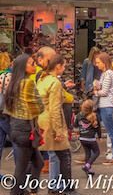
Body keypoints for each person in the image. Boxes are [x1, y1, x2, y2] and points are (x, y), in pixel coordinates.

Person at [37, 54, 78, 195]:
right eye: (64, 65)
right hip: (51, 123)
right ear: (58, 66)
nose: (65, 68)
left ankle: (55, 187)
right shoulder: (54, 82)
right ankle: (66, 188)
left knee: (55, 155)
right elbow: (54, 109)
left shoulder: (43, 79)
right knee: (64, 155)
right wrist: (59, 131)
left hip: (42, 121)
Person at [4, 54, 44, 195]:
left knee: (38, 162)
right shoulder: (27, 83)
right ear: (23, 67)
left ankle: (26, 190)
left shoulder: (14, 82)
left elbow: (7, 108)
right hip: (25, 130)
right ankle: (17, 192)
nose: (34, 66)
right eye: (32, 63)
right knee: (21, 168)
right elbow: (39, 107)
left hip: (15, 127)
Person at [94, 53, 113, 165]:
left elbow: (104, 92)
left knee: (111, 132)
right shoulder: (105, 73)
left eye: (98, 62)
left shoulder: (108, 73)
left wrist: (96, 91)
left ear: (104, 63)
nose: (96, 65)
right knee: (110, 131)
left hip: (107, 105)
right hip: (105, 105)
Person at [76, 99, 101, 176]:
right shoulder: (94, 116)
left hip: (82, 138)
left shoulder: (79, 115)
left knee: (87, 153)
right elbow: (98, 127)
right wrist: (99, 136)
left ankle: (88, 171)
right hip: (91, 138)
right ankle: (87, 165)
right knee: (97, 152)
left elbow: (75, 125)